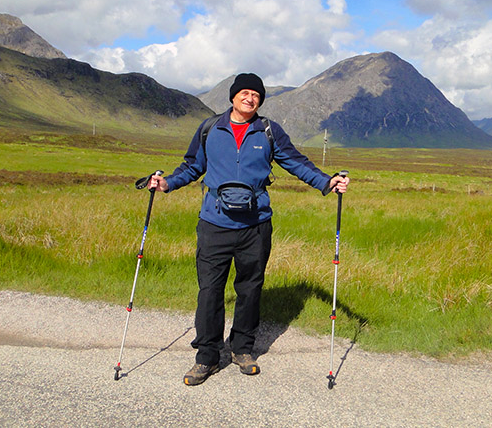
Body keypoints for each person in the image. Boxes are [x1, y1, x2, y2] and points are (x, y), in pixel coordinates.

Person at [149, 73, 349, 386]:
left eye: (256, 94)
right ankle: (207, 356)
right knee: (210, 290)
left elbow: (296, 162)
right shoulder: (209, 129)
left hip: (255, 226)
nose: (250, 98)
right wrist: (167, 183)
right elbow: (192, 167)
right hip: (214, 224)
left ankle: (242, 349)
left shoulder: (268, 130)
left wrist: (326, 181)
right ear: (232, 96)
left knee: (250, 288)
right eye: (244, 92)